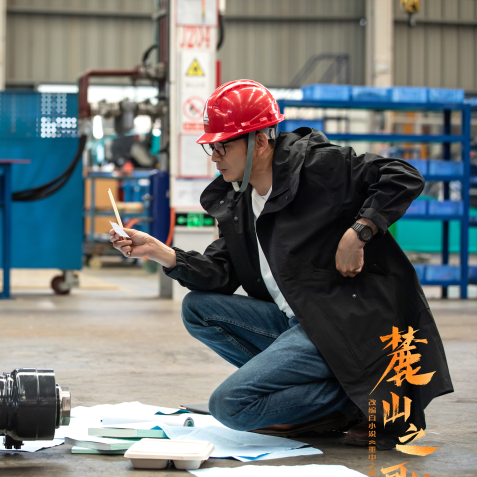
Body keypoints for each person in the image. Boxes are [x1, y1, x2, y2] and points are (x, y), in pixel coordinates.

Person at [110, 80, 452, 449]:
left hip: (344, 325)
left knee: (230, 406)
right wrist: (163, 253)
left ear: (260, 141)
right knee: (197, 309)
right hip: (300, 324)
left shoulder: (319, 166)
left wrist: (359, 231)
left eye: (222, 145)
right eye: (212, 145)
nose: (214, 156)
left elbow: (403, 175)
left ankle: (370, 399)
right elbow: (221, 273)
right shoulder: (238, 199)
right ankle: (332, 402)